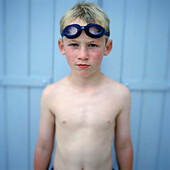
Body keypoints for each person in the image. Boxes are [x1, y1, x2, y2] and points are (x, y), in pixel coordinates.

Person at [34, 2, 133, 170]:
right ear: (61, 46)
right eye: (74, 44)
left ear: (107, 47)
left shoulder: (120, 94)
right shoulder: (51, 94)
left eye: (92, 45)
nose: (83, 55)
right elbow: (44, 146)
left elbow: (123, 146)